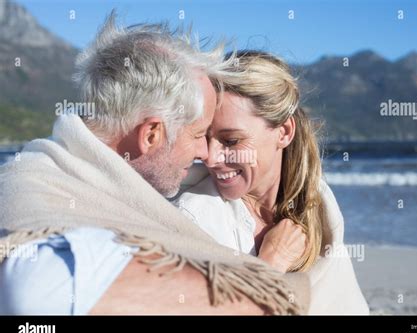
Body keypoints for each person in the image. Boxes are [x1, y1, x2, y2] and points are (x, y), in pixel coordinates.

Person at [0, 15, 310, 315]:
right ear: (151, 134)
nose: (206, 153)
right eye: (200, 135)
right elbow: (33, 292)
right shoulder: (36, 195)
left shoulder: (70, 174)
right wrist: (266, 271)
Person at [175, 51, 370, 314]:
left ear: (284, 133)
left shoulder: (319, 202)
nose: (211, 158)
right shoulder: (194, 217)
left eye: (231, 141)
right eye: (205, 137)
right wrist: (270, 263)